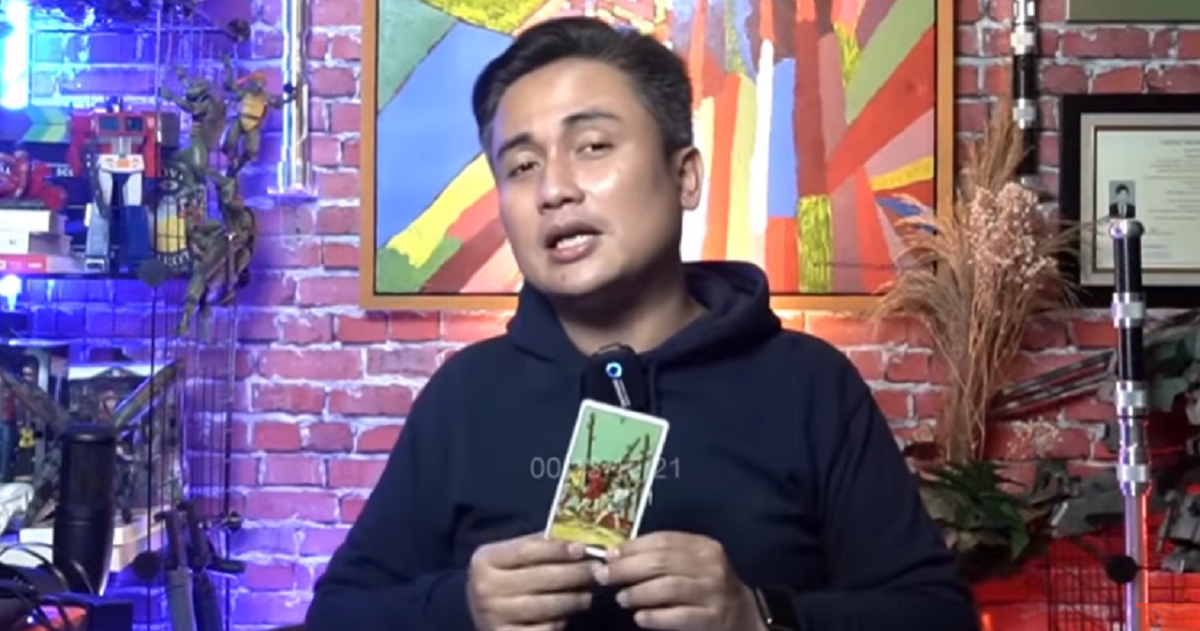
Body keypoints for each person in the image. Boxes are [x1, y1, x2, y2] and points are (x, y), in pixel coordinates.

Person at [306, 16, 978, 631]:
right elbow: (336, 614)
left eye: (593, 146)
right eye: (522, 165)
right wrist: (461, 608)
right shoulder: (464, 396)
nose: (554, 189)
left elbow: (937, 615)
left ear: (685, 177)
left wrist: (761, 616)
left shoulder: (809, 384)